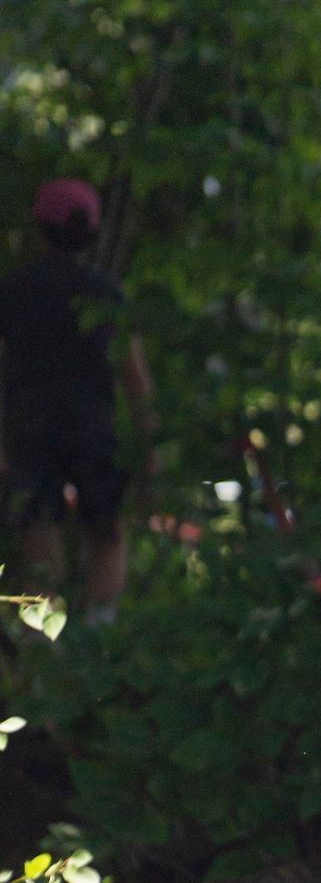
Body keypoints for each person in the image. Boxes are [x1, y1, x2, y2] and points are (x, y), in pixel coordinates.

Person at [0, 178, 154, 626]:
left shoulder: (14, 289)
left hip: (31, 430)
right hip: (94, 429)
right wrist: (149, 446)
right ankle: (100, 635)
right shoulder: (106, 292)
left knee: (39, 540)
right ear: (92, 231)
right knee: (106, 534)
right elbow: (136, 378)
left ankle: (42, 653)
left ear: (39, 227)